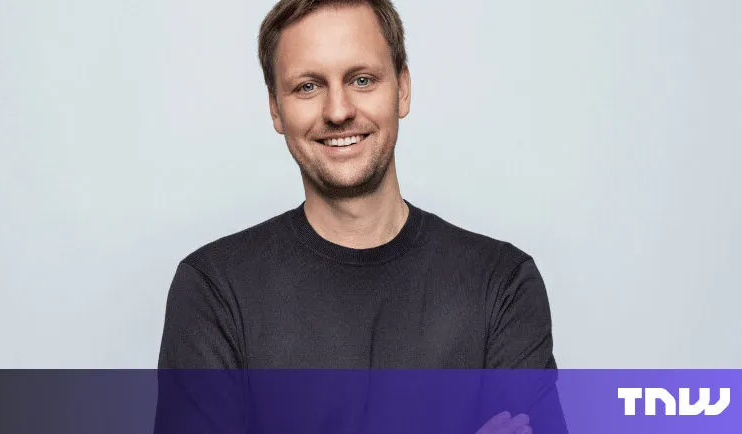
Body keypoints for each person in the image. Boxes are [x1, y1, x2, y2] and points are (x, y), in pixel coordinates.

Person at [156, 1, 562, 433]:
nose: (338, 111)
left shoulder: (501, 284)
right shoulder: (215, 290)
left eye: (362, 80)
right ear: (276, 108)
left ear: (402, 89)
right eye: (308, 86)